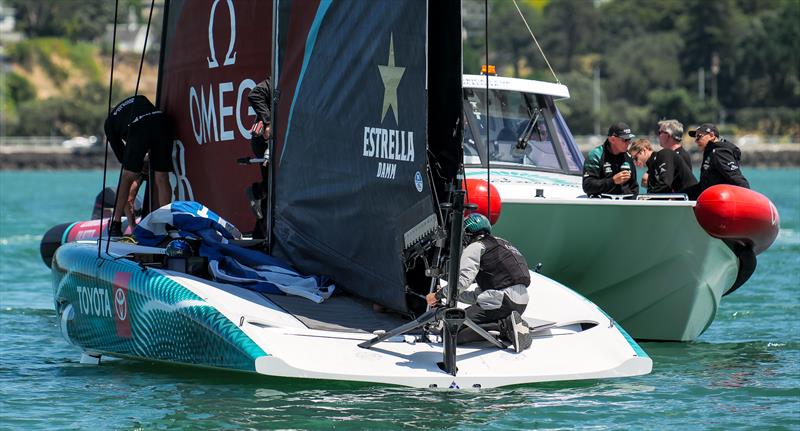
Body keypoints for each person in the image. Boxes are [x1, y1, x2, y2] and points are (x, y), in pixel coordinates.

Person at [426, 213, 532, 353]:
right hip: (519, 303)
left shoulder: (476, 247)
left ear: (467, 234)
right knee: (469, 321)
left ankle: (503, 326)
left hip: (501, 301)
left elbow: (462, 282)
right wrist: (447, 294)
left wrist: (438, 295)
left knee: (449, 332)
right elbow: (480, 296)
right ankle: (510, 324)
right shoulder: (500, 244)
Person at [104, 95, 172, 237]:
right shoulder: (139, 98)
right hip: (161, 121)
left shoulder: (110, 123)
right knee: (162, 176)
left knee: (127, 177)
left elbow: (122, 157)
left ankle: (115, 225)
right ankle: (167, 222)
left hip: (139, 127)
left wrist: (138, 164)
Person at [684, 123, 750, 200]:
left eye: (699, 137)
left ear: (712, 136)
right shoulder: (710, 152)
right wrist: (680, 194)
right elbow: (703, 185)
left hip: (722, 202)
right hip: (711, 200)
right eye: (695, 138)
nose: (696, 141)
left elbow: (736, 178)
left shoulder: (719, 152)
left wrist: (747, 199)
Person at [582, 122, 639, 197]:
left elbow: (634, 187)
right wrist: (613, 181)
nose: (628, 143)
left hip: (625, 204)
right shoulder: (596, 155)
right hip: (603, 204)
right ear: (612, 139)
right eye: (625, 140)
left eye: (629, 139)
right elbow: (588, 186)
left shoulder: (628, 156)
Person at [246, 77, 272, 239]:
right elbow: (254, 94)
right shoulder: (280, 76)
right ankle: (262, 238)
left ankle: (260, 237)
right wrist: (269, 123)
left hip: (278, 141)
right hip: (265, 141)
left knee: (273, 192)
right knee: (273, 192)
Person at [629, 138, 697, 194]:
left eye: (635, 158)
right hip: (680, 198)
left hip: (691, 199)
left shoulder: (664, 154)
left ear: (643, 151)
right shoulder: (652, 167)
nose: (635, 163)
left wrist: (648, 197)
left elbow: (665, 183)